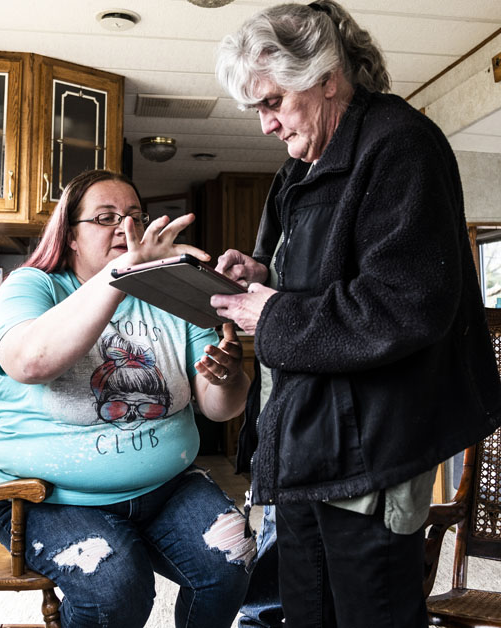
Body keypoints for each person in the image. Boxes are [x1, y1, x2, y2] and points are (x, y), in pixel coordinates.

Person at [212, 2, 501, 627]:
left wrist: (277, 313)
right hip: (307, 439)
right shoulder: (298, 168)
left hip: (369, 451)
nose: (266, 125)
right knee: (307, 614)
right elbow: (305, 273)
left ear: (326, 77)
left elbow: (406, 303)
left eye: (272, 103)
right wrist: (261, 276)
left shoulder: (401, 146)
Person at [0, 169, 256, 628]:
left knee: (234, 557)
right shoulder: (31, 286)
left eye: (134, 217)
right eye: (106, 218)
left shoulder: (173, 293)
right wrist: (121, 275)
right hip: (48, 497)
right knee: (117, 589)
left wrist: (226, 377)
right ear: (69, 235)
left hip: (165, 485)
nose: (126, 229)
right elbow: (30, 361)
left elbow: (217, 406)